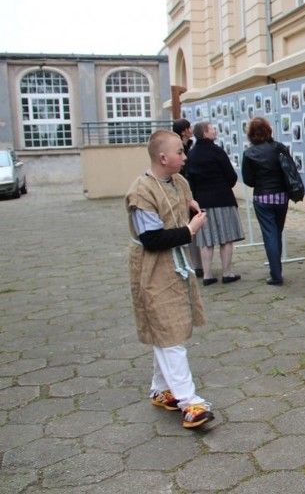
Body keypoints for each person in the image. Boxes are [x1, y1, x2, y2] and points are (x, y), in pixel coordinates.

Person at [125, 129, 215, 429]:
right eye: (180, 151)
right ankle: (190, 402)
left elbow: (183, 197)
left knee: (168, 327)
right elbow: (151, 238)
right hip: (154, 267)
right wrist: (190, 230)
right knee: (169, 333)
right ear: (163, 158)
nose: (185, 156)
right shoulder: (141, 192)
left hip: (174, 265)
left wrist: (189, 206)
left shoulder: (179, 180)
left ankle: (161, 389)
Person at [185, 121, 244, 286]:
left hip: (202, 202)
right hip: (223, 199)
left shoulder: (192, 154)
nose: (214, 130)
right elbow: (231, 176)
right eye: (211, 128)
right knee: (226, 239)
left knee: (206, 240)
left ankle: (207, 275)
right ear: (205, 133)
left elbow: (190, 180)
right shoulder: (218, 152)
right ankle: (226, 273)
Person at [241, 117, 290, 286]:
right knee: (277, 232)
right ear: (269, 130)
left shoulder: (248, 153)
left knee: (269, 234)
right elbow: (289, 170)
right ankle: (277, 270)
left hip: (262, 196)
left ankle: (276, 275)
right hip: (281, 196)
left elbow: (248, 180)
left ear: (251, 134)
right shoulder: (279, 148)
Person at [172, 118, 203, 278]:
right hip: (182, 193)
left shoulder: (191, 145)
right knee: (186, 227)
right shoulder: (178, 147)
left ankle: (197, 263)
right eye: (189, 127)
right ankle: (192, 263)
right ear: (184, 130)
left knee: (194, 227)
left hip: (193, 191)